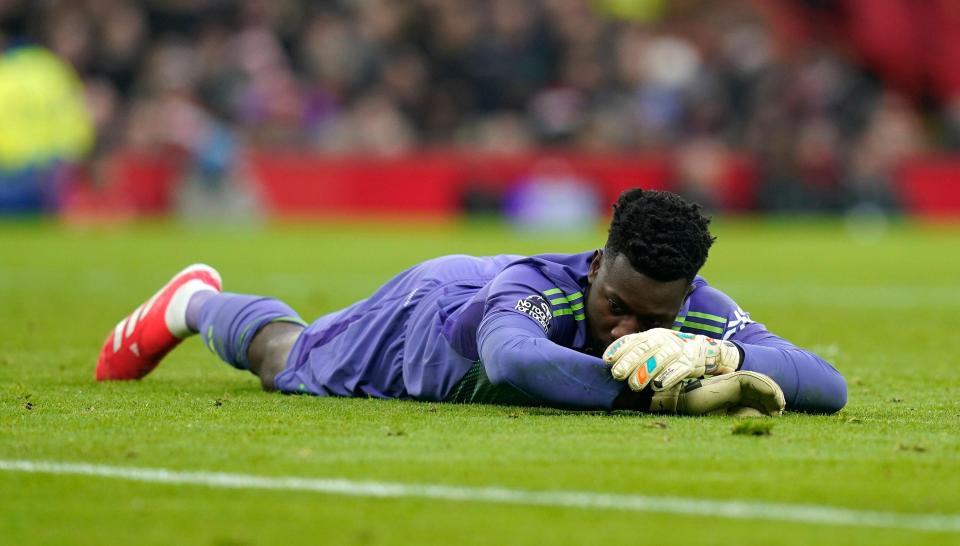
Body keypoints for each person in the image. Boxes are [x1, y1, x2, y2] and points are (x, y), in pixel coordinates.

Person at [95, 189, 846, 414]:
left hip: (466, 305)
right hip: (427, 319)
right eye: (616, 304)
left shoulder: (695, 310)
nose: (629, 326)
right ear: (595, 265)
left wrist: (721, 354)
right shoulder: (535, 293)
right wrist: (669, 396)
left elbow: (826, 383)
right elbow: (516, 364)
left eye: (655, 320)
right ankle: (194, 304)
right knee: (283, 358)